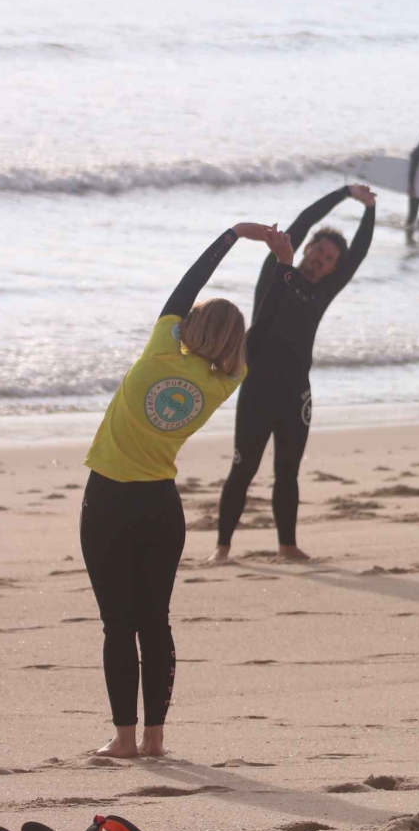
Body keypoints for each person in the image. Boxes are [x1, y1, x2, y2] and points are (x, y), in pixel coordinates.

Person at [81, 221, 278, 756]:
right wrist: (279, 264)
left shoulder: (161, 351)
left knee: (117, 624)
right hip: (159, 509)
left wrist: (232, 236)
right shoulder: (224, 382)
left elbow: (187, 284)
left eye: (191, 316)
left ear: (193, 326)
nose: (183, 315)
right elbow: (268, 323)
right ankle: (155, 740)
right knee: (154, 623)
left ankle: (123, 739)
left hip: (108, 501)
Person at [211, 184, 378, 564]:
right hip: (256, 389)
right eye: (318, 250)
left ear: (334, 267)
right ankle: (221, 548)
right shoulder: (276, 270)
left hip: (296, 395)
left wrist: (369, 210)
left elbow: (361, 251)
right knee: (243, 469)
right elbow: (303, 222)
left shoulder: (324, 291)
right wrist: (344, 192)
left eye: (330, 257)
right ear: (304, 249)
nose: (321, 257)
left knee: (287, 471)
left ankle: (287, 546)